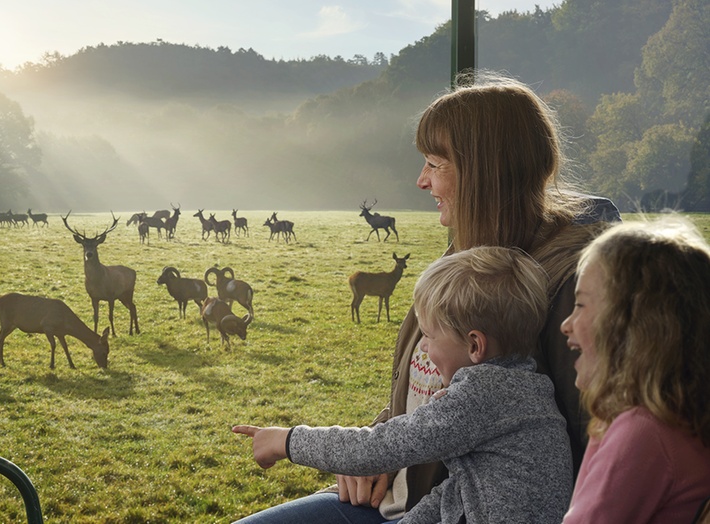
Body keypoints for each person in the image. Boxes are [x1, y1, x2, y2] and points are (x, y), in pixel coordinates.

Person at [231, 71, 618, 523]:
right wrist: (380, 447)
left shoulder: (567, 285)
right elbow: (427, 395)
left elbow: (585, 439)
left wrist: (323, 444)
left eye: (435, 164)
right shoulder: (469, 253)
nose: (421, 181)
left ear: (485, 172)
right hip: (403, 493)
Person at [234, 246, 574, 524]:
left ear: (474, 346)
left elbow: (375, 449)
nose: (423, 347)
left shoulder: (484, 395)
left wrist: (285, 440)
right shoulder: (524, 388)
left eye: (428, 335)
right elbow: (456, 494)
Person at [560, 218, 710, 523]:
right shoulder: (683, 423)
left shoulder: (642, 433)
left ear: (632, 328)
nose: (566, 324)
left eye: (581, 305)